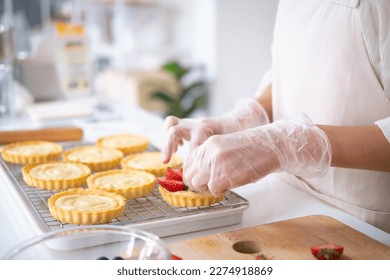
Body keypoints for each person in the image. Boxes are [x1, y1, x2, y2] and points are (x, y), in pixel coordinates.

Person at [161, 0, 390, 233]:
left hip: (365, 224)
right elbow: (294, 75)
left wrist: (287, 144)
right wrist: (242, 119)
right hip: (285, 200)